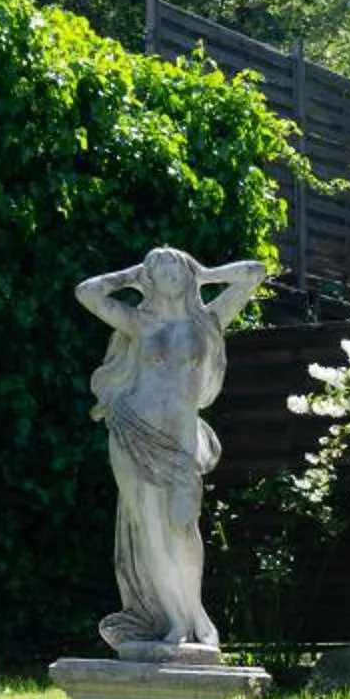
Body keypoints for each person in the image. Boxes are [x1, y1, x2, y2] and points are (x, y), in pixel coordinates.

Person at [73, 247, 268, 654]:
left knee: (182, 525)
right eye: (159, 268)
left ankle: (195, 612)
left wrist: (204, 272)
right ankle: (176, 621)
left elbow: (254, 272)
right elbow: (87, 293)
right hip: (132, 431)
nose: (169, 273)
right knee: (151, 531)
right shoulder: (139, 322)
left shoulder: (209, 319)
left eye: (175, 266)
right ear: (150, 276)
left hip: (179, 444)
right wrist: (131, 273)